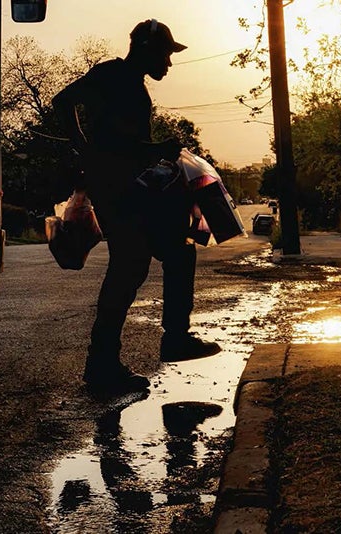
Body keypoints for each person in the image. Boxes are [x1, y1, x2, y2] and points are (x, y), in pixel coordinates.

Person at [53, 19, 220, 394]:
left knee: (171, 255)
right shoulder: (111, 74)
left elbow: (125, 143)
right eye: (165, 54)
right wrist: (85, 147)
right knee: (131, 268)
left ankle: (156, 345)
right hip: (116, 189)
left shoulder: (132, 83)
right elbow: (66, 106)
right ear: (145, 48)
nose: (169, 63)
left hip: (131, 187)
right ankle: (107, 364)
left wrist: (156, 156)